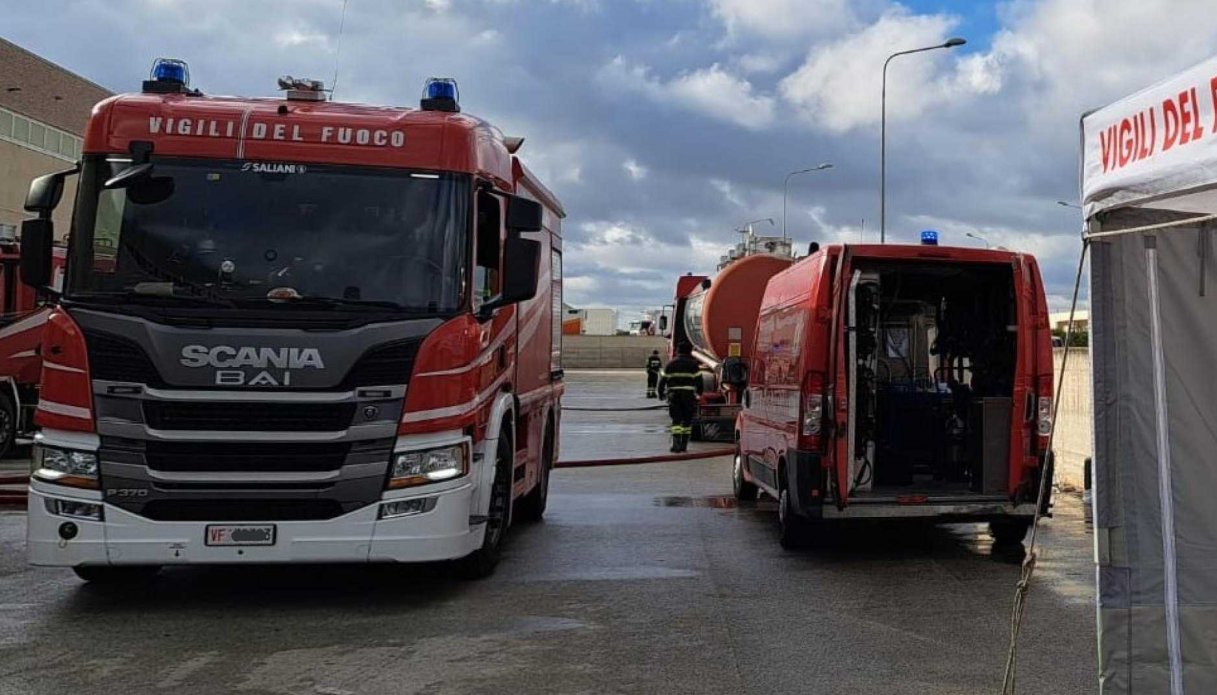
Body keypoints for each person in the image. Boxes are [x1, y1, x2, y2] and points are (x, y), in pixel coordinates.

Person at [659, 341, 703, 453]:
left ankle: (675, 445)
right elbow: (699, 382)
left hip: (674, 397)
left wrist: (661, 394)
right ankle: (684, 445)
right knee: (687, 421)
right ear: (689, 351)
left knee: (676, 420)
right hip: (688, 397)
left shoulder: (671, 364)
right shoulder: (693, 365)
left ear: (678, 351)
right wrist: (699, 394)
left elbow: (662, 381)